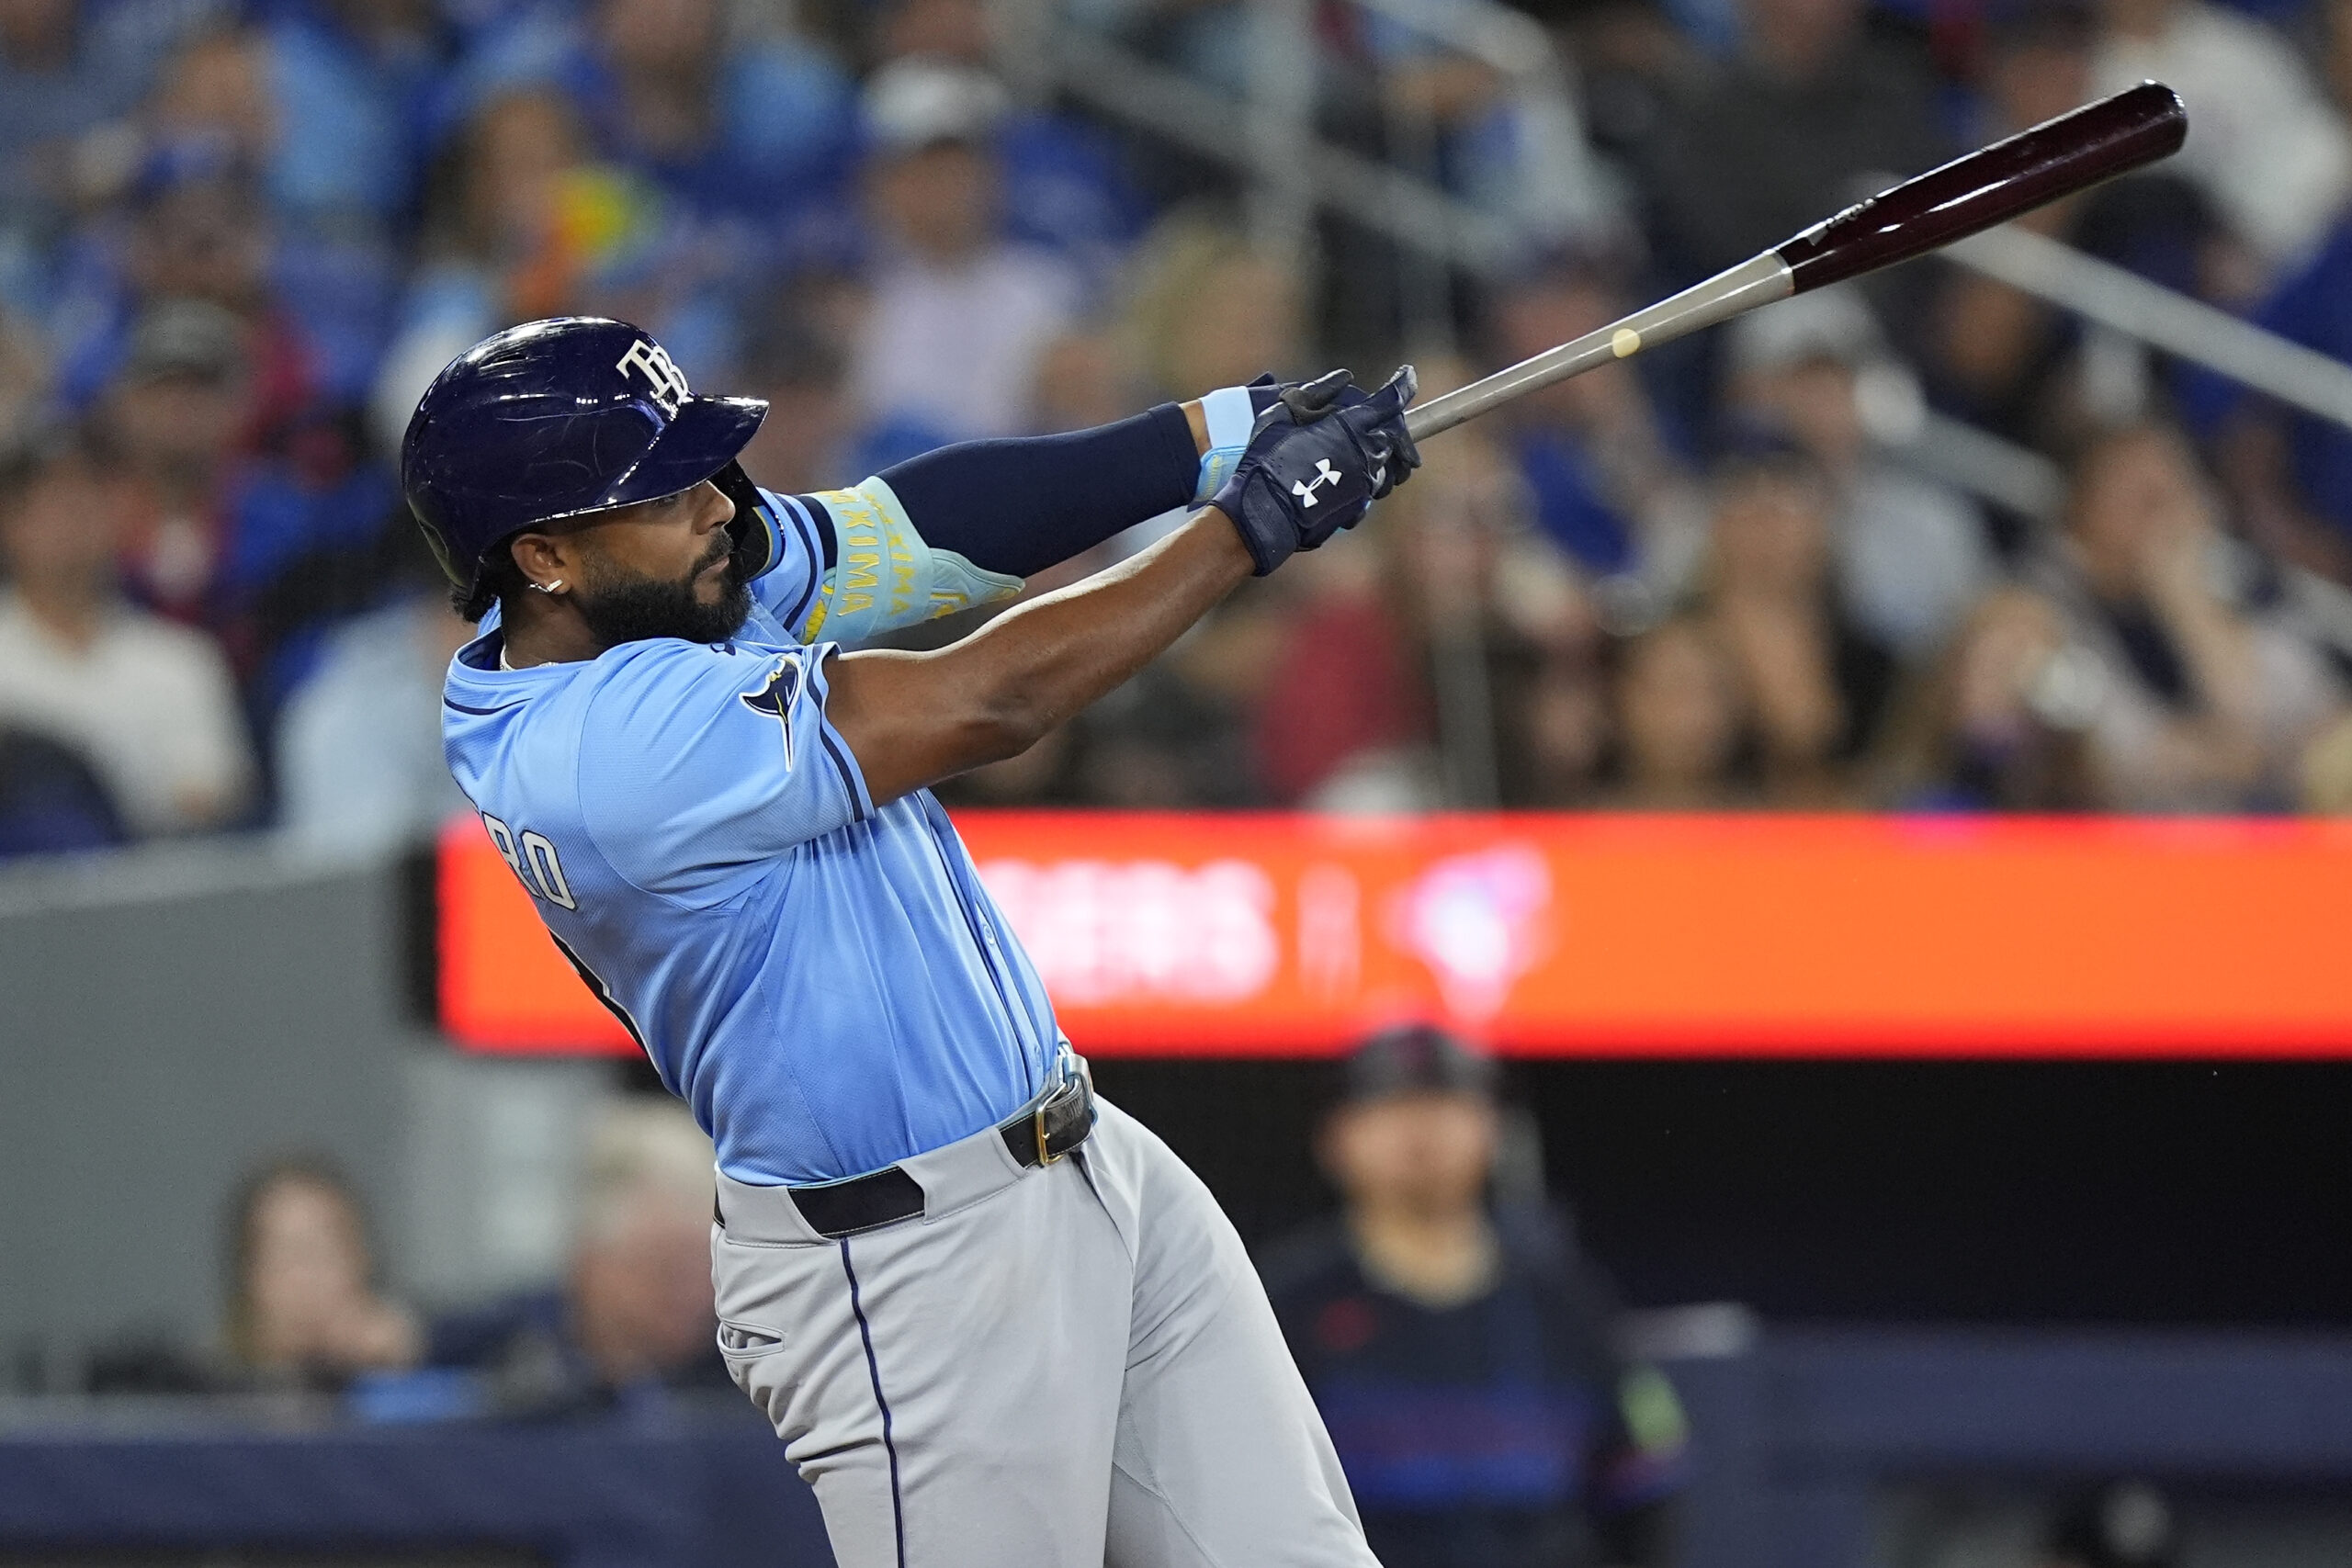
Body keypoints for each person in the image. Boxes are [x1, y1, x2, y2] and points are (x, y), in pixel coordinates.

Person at [401, 315, 1418, 1565]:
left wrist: (1211, 439)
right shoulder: (593, 751)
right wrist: (1250, 529)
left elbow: (917, 527)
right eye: (667, 489)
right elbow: (989, 699)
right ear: (545, 552)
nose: (721, 504)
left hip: (1086, 1158)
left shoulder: (646, 597)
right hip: (905, 1267)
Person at [1261, 1025, 1687, 1568]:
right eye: (1389, 1105)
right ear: (1336, 1137)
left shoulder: (1569, 1304)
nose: (1420, 1130)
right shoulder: (1282, 1308)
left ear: (1491, 1128)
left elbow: (1643, 1491)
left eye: (1445, 1104)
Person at [0, 434, 254, 836]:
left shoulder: (182, 659)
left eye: (90, 494)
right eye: (48, 499)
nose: (74, 513)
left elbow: (211, 801)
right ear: (9, 521)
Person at [427, 1099, 732, 1414]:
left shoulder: (748, 1367)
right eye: (665, 1268)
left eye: (707, 1268)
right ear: (591, 1262)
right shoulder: (507, 1348)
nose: (692, 1294)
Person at [221, 1155, 422, 1389]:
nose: (307, 1279)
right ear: (249, 1273)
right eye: (285, 1255)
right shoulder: (203, 1392)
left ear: (362, 1259)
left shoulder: (412, 1369)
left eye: (324, 1251)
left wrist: (406, 1350)